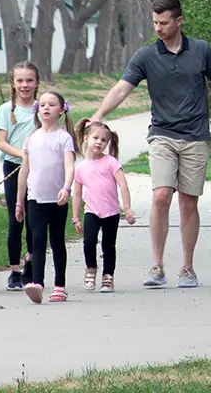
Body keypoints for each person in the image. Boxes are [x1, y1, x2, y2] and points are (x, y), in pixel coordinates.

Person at [90, 0, 211, 290]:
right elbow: (123, 88)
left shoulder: (201, 50)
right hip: (161, 134)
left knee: (188, 201)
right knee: (161, 196)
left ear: (179, 21)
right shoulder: (146, 55)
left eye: (163, 23)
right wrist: (99, 114)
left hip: (195, 136)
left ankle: (187, 267)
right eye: (154, 23)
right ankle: (157, 265)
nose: (158, 28)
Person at [16, 89, 79, 304]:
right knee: (38, 241)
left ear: (61, 110)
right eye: (42, 104)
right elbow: (24, 171)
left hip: (58, 199)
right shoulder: (31, 138)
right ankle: (38, 283)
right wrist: (19, 201)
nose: (46, 108)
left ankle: (60, 285)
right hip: (35, 199)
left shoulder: (64, 138)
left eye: (52, 104)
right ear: (37, 109)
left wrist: (67, 187)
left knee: (57, 240)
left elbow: (70, 165)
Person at [71, 119, 136, 293]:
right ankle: (90, 269)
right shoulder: (81, 168)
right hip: (92, 211)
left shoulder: (111, 163)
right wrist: (75, 217)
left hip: (111, 212)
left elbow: (123, 184)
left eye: (104, 140)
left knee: (108, 245)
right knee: (89, 241)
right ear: (86, 139)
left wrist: (127, 208)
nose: (99, 142)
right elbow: (77, 194)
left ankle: (108, 276)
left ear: (108, 143)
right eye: (96, 138)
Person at [0, 61, 39, 291]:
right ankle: (13, 271)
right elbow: (1, 143)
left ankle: (30, 265)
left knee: (34, 220)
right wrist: (23, 154)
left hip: (38, 171)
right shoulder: (6, 110)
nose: (25, 85)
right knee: (16, 219)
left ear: (37, 82)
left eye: (29, 80)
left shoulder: (42, 108)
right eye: (20, 80)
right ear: (13, 83)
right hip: (14, 168)